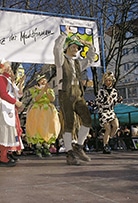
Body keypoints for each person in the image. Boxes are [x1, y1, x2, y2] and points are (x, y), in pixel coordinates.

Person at [53, 25, 95, 165]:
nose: (75, 49)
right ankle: (69, 152)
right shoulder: (61, 61)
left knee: (87, 120)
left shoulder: (78, 63)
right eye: (73, 47)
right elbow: (57, 48)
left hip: (78, 94)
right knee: (69, 123)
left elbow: (90, 59)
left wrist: (90, 45)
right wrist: (65, 34)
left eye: (77, 48)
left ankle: (79, 145)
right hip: (66, 94)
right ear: (67, 47)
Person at [0, 59, 23, 167]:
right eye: (7, 67)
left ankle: (5, 155)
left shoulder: (7, 79)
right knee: (3, 131)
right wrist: (16, 102)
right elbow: (3, 94)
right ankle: (3, 157)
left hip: (7, 107)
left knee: (7, 131)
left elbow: (15, 94)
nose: (9, 69)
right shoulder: (0, 78)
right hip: (2, 108)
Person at [25, 74, 61, 158]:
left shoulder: (49, 90)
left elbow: (52, 99)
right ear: (38, 81)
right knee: (37, 126)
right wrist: (42, 91)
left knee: (47, 127)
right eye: (42, 80)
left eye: (45, 80)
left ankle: (46, 146)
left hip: (47, 110)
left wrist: (47, 91)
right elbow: (36, 99)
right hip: (37, 110)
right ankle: (38, 147)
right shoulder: (34, 89)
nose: (44, 81)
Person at [95, 71, 122, 154]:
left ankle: (107, 139)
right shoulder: (101, 91)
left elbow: (114, 102)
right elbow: (97, 102)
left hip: (111, 111)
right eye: (106, 80)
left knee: (116, 126)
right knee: (108, 128)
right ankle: (105, 145)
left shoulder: (114, 91)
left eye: (109, 80)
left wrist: (119, 100)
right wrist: (104, 100)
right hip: (103, 112)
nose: (108, 82)